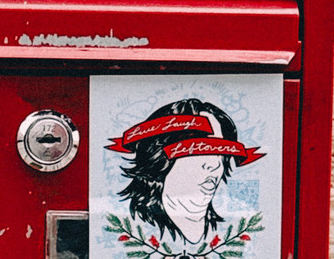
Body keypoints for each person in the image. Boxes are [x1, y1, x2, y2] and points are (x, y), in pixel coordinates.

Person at [108, 98, 264, 246]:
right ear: (159, 160)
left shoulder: (228, 225)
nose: (214, 164)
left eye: (220, 153)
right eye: (198, 150)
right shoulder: (136, 226)